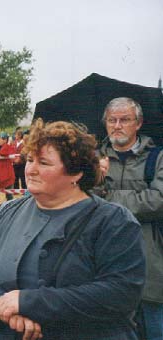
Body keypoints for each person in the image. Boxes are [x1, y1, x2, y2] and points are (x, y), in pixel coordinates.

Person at [0, 119, 146, 340]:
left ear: (76, 173)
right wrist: (3, 308)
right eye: (30, 160)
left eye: (44, 163)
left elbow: (121, 292)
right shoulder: (6, 211)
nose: (31, 170)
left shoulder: (114, 221)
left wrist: (28, 302)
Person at [97, 97, 163, 339]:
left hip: (151, 260)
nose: (117, 125)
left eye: (124, 119)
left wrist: (108, 196)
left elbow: (158, 201)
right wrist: (96, 178)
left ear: (138, 123)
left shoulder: (158, 158)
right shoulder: (92, 158)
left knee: (155, 328)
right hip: (103, 260)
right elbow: (81, 198)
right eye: (112, 120)